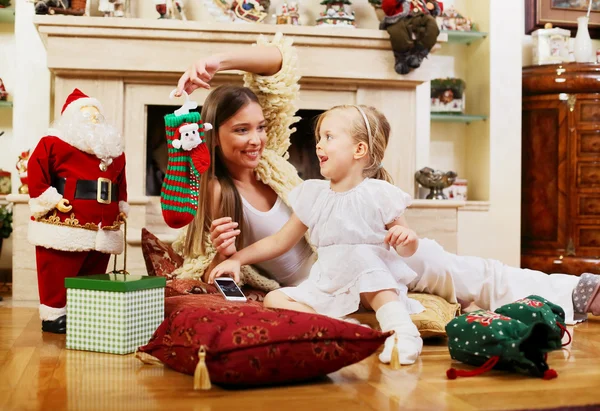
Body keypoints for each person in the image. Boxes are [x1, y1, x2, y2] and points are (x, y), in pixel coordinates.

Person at [172, 33, 599, 339]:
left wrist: (217, 61)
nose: (257, 139)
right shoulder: (215, 188)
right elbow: (205, 261)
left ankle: (576, 293)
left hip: (372, 252)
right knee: (460, 278)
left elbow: (281, 61)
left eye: (261, 127)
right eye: (241, 131)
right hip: (327, 281)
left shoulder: (271, 162)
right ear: (212, 135)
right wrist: (224, 257)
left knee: (465, 272)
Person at [209, 104, 426, 365]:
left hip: (373, 285)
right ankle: (341, 325)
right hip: (329, 284)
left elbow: (406, 250)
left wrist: (407, 238)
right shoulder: (313, 195)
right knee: (273, 298)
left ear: (359, 150)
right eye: (319, 138)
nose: (319, 145)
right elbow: (280, 241)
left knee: (362, 259)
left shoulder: (380, 194)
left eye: (329, 137)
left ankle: (402, 331)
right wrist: (236, 259)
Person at [27, 88, 129, 334]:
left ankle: (83, 311)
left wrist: (121, 207)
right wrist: (51, 200)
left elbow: (121, 183)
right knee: (59, 267)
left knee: (93, 271)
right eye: (87, 115)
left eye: (97, 115)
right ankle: (54, 315)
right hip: (65, 221)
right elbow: (36, 171)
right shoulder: (52, 143)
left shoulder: (114, 152)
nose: (94, 119)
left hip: (104, 224)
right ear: (71, 120)